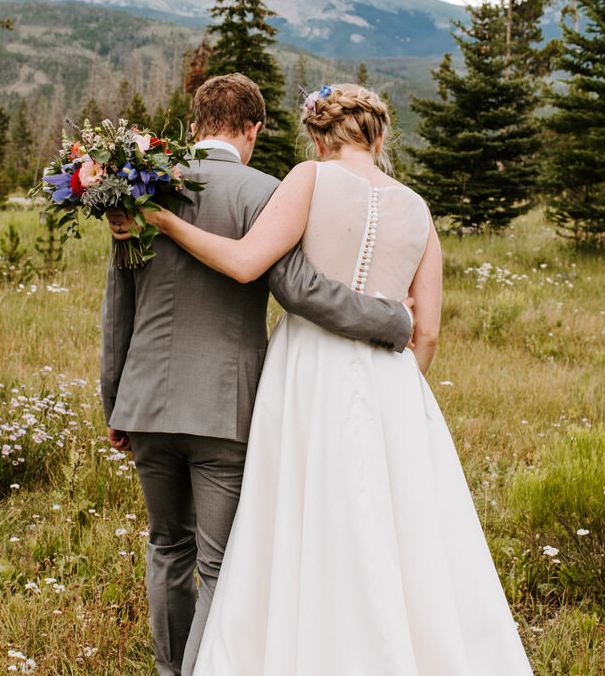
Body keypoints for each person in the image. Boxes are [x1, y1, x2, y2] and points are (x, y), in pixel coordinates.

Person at [144, 82, 536, 676]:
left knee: (300, 514)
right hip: (392, 383)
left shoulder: (308, 178)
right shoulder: (418, 208)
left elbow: (249, 263)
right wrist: (395, 397)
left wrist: (168, 226)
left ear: (318, 136)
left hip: (307, 373)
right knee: (394, 528)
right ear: (378, 136)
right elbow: (425, 331)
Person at [100, 74, 415, 676]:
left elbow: (120, 304)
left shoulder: (142, 194)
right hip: (225, 409)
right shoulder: (266, 191)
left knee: (167, 547)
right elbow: (302, 291)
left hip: (143, 406)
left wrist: (115, 401)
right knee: (222, 567)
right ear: (253, 129)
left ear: (193, 127)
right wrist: (391, 321)